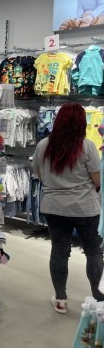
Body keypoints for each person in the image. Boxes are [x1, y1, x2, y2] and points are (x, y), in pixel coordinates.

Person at [32, 103, 104, 314]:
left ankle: (61, 299)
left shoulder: (43, 145)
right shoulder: (87, 147)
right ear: (81, 123)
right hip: (85, 207)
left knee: (60, 251)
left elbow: (39, 174)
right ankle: (99, 300)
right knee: (93, 252)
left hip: (53, 206)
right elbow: (97, 180)